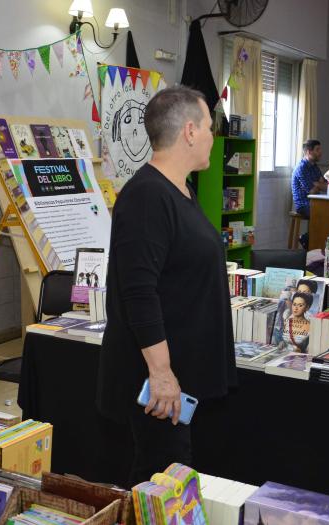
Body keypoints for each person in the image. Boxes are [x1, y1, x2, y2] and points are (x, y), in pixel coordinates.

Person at [97, 86, 236, 486]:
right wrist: (161, 374)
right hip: (156, 388)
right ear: (189, 132)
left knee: (171, 482)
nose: (213, 135)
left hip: (180, 380)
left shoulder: (181, 191)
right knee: (159, 483)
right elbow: (138, 293)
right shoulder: (146, 196)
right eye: (209, 127)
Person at [291, 139, 328, 219]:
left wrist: (316, 184)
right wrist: (319, 184)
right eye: (317, 150)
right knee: (324, 212)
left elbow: (327, 187)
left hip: (315, 202)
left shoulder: (315, 167)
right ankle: (314, 232)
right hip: (304, 205)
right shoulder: (301, 168)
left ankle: (318, 232)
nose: (320, 152)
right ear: (309, 152)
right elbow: (312, 191)